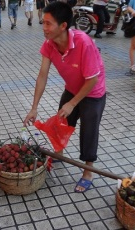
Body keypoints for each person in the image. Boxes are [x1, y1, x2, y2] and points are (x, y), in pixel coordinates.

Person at [23, 1, 106, 193]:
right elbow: (42, 75)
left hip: (92, 92)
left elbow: (92, 80)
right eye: (43, 22)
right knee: (62, 123)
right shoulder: (49, 44)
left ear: (63, 26)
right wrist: (34, 107)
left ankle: (88, 171)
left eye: (48, 23)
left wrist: (73, 103)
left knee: (89, 130)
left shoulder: (83, 42)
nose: (44, 28)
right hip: (72, 89)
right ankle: (58, 153)